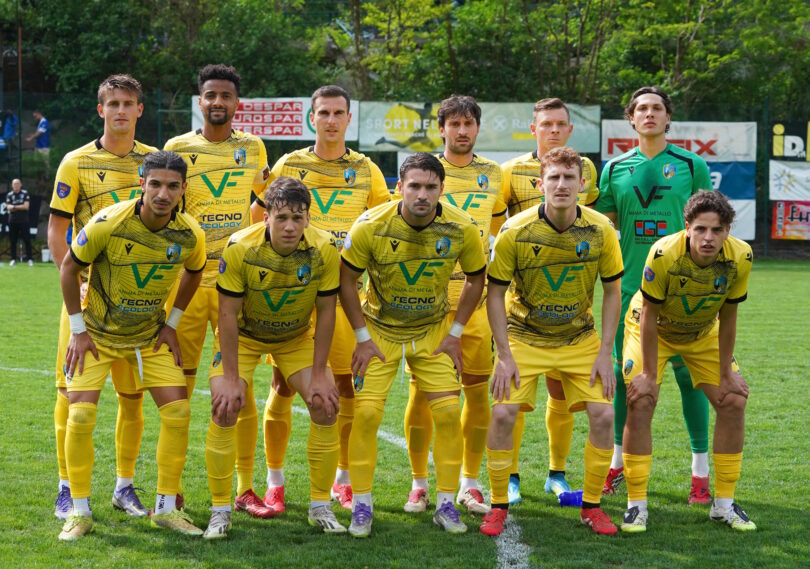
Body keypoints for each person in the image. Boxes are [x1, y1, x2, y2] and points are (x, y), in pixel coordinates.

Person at [254, 84, 390, 513]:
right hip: (294, 295)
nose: (331, 120)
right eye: (323, 113)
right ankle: (274, 481)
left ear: (349, 118)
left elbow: (382, 228)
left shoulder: (367, 170)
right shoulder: (289, 164)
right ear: (312, 118)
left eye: (338, 113)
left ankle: (343, 479)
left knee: (346, 386)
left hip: (345, 295)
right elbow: (261, 218)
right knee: (282, 384)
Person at [57, 150, 206, 540]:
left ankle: (165, 510)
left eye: (172, 186)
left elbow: (195, 271)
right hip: (96, 335)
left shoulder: (190, 233)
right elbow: (69, 268)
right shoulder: (108, 223)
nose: (163, 194)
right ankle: (79, 512)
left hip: (147, 338)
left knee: (178, 412)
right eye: (155, 184)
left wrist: (172, 323)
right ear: (142, 183)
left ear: (183, 189)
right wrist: (78, 330)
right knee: (80, 416)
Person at [340, 152, 487, 538]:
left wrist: (455, 333)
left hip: (432, 332)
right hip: (379, 332)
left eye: (431, 187)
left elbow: (477, 278)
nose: (422, 194)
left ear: (442, 189)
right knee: (366, 415)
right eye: (415, 186)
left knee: (448, 414)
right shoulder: (371, 225)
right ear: (399, 187)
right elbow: (345, 280)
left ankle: (446, 504)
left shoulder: (461, 227)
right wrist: (361, 338)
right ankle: (362, 505)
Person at [480, 147, 622, 537]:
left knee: (604, 415)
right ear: (541, 183)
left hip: (579, 338)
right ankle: (498, 505)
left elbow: (613, 292)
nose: (561, 185)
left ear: (582, 184)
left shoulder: (600, 230)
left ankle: (592, 507)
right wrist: (504, 355)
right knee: (503, 414)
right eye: (554, 178)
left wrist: (605, 353)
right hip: (524, 336)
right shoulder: (515, 230)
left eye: (569, 178)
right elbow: (495, 293)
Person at [203, 176, 343, 539]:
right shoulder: (240, 247)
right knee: (225, 406)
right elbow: (227, 315)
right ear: (266, 218)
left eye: (298, 218)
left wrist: (318, 373)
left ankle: (320, 506)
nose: (290, 226)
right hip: (245, 337)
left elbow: (327, 311)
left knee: (325, 403)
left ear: (308, 218)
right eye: (281, 218)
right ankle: (220, 511)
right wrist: (230, 378)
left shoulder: (325, 248)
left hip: (295, 337)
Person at [594, 87, 714, 502]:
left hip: (683, 289)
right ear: (631, 118)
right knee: (626, 380)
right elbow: (605, 228)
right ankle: (617, 466)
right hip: (631, 290)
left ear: (668, 118)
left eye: (657, 108)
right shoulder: (614, 168)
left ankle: (700, 475)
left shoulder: (691, 165)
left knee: (690, 378)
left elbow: (709, 226)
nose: (649, 114)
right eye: (642, 108)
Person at [164, 64, 273, 516]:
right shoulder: (177, 148)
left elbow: (265, 205)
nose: (218, 102)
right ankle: (172, 488)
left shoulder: (253, 147)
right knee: (178, 392)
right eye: (211, 95)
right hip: (187, 286)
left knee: (239, 387)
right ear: (200, 101)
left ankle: (245, 488)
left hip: (236, 288)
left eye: (226, 96)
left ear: (236, 103)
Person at [47, 74, 157, 520]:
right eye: (113, 103)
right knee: (70, 395)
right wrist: (73, 279)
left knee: (132, 397)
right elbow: (57, 228)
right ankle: (67, 487)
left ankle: (124, 487)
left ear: (140, 110)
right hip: (86, 299)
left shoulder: (154, 162)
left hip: (136, 302)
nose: (120, 111)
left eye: (128, 103)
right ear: (100, 110)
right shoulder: (75, 162)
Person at [619, 191, 755, 533]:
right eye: (701, 229)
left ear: (728, 231)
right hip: (653, 327)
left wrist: (726, 374)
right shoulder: (664, 253)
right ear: (687, 227)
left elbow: (730, 315)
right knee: (641, 399)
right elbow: (649, 315)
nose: (708, 238)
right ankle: (636, 505)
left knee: (733, 400)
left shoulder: (741, 256)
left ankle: (723, 504)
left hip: (702, 331)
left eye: (717, 230)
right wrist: (649, 374)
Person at [402, 95, 504, 516]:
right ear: (441, 128)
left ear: (477, 128)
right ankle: (419, 484)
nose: (462, 131)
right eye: (454, 124)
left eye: (469, 124)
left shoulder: (494, 174)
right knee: (422, 393)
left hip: (475, 302)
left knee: (477, 393)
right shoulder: (425, 172)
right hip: (428, 303)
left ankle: (469, 482)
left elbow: (497, 230)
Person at [499, 97, 600, 504]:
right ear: (533, 128)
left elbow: (590, 226)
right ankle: (511, 476)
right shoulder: (510, 172)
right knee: (515, 396)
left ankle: (556, 473)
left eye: (560, 124)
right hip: (522, 304)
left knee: (560, 392)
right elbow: (498, 230)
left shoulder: (586, 168)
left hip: (570, 299)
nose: (554, 130)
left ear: (570, 130)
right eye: (546, 124)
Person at [6, 178, 33, 266]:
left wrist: (14, 207)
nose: (16, 185)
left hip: (24, 221)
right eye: (14, 184)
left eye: (17, 184)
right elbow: (8, 207)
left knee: (27, 240)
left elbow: (26, 207)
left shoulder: (25, 193)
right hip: (12, 221)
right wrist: (19, 207)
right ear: (12, 185)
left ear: (21, 184)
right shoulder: (9, 195)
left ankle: (30, 259)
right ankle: (13, 259)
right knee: (13, 241)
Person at [28, 109, 51, 176]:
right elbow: (38, 133)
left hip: (44, 145)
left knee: (46, 162)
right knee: (38, 162)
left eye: (35, 116)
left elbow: (39, 133)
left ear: (39, 114)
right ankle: (40, 176)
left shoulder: (44, 122)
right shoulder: (41, 122)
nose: (35, 118)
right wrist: (32, 135)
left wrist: (31, 138)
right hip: (39, 145)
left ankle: (47, 176)